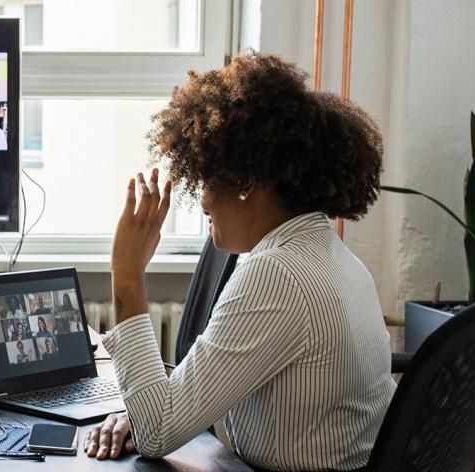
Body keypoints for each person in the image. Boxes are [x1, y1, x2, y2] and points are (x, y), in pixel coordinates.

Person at [84, 53, 394, 472]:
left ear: (245, 181)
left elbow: (157, 431)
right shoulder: (330, 252)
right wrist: (147, 406)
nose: (204, 202)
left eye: (207, 177)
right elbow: (172, 409)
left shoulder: (278, 275)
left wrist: (126, 274)